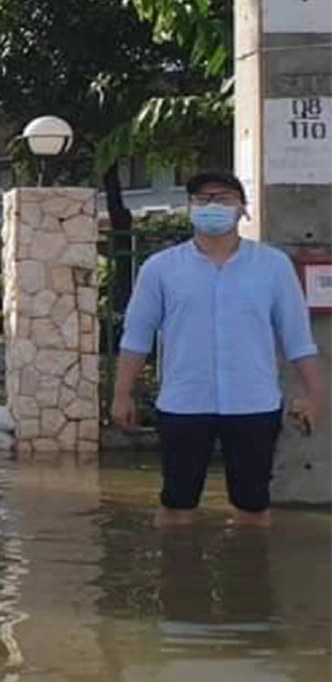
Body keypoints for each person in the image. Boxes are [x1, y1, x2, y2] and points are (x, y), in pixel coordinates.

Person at [112, 170, 324, 528]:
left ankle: (249, 579)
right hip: (183, 403)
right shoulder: (160, 269)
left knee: (253, 508)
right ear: (190, 208)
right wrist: (121, 394)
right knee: (177, 506)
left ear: (242, 209)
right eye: (203, 199)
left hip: (253, 403)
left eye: (223, 198)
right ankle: (178, 580)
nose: (212, 206)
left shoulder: (272, 267)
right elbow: (136, 337)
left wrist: (316, 395)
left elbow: (298, 339)